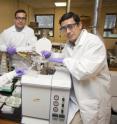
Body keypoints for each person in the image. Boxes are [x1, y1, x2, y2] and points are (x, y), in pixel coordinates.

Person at [41, 12, 111, 124]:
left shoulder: (94, 42)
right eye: (64, 28)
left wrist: (63, 60)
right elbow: (65, 57)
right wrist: (52, 55)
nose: (67, 31)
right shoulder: (69, 44)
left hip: (92, 99)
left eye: (70, 26)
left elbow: (85, 70)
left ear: (80, 25)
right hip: (76, 98)